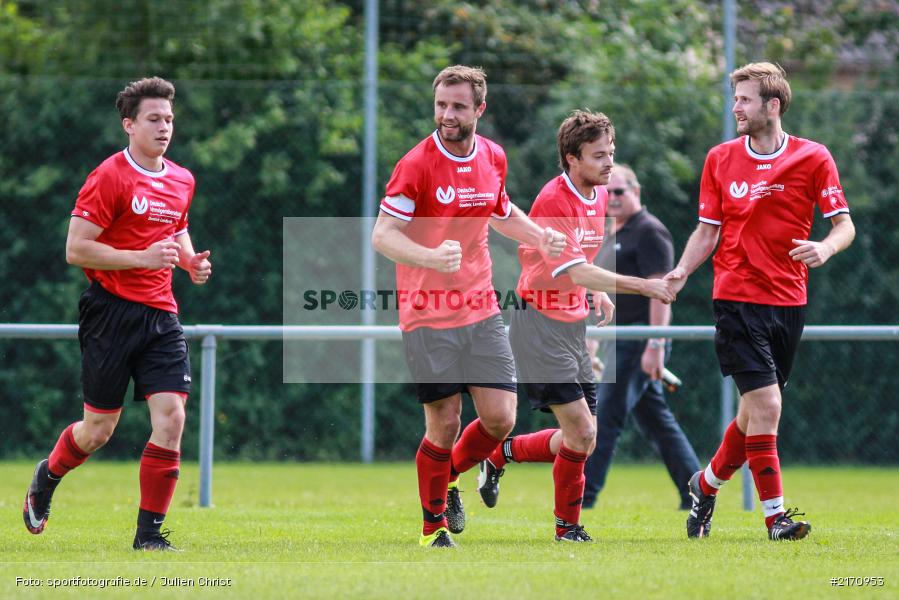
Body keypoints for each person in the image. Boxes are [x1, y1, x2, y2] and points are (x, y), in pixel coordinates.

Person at [371, 65, 566, 548]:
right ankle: (432, 526)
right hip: (425, 311)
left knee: (502, 418)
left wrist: (540, 236)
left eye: (458, 106)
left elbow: (501, 212)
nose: (447, 115)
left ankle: (451, 476)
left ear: (480, 108)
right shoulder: (415, 164)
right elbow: (383, 235)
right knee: (444, 421)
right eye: (441, 105)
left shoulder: (493, 157)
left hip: (480, 307)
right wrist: (430, 257)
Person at [664, 62, 855, 541]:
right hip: (736, 300)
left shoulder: (813, 158)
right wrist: (682, 271)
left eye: (744, 100)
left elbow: (843, 224)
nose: (736, 108)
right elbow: (708, 230)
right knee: (767, 405)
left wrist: (825, 248)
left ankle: (704, 485)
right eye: (735, 99)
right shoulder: (720, 158)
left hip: (789, 301)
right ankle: (776, 519)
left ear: (773, 105)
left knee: (753, 415)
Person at [23, 77, 212, 551]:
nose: (164, 127)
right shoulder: (108, 176)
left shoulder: (183, 178)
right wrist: (141, 258)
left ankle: (149, 536)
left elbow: (178, 226)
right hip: (109, 313)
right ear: (129, 124)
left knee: (171, 418)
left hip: (161, 315)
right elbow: (76, 249)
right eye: (153, 119)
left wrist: (188, 261)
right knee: (99, 430)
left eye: (169, 119)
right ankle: (47, 476)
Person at [475, 111, 675, 542]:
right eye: (599, 156)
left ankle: (500, 453)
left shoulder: (599, 195)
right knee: (583, 431)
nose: (609, 164)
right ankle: (567, 528)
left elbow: (581, 264)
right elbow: (576, 269)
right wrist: (642, 286)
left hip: (571, 323)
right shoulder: (554, 201)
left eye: (611, 153)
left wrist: (595, 293)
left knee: (580, 436)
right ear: (571, 158)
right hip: (538, 324)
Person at [581, 164, 701, 511]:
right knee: (658, 423)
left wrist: (656, 343)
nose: (613, 199)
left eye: (620, 192)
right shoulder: (608, 233)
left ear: (637, 192)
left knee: (604, 417)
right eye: (608, 192)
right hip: (616, 339)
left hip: (639, 339)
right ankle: (696, 491)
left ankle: (582, 500)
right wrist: (591, 340)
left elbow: (661, 292)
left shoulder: (650, 231)